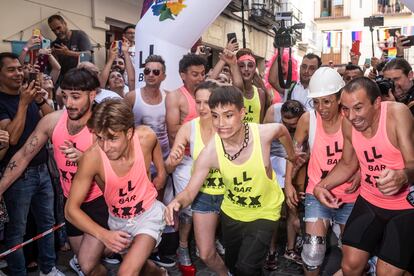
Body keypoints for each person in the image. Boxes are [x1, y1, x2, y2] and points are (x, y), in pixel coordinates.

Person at [165, 85, 301, 276]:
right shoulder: (210, 153)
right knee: (234, 265)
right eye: (215, 116)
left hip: (265, 211)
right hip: (232, 212)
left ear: (242, 113)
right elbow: (189, 192)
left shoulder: (262, 134)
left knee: (246, 268)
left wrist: (292, 156)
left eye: (228, 115)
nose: (221, 123)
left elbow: (282, 131)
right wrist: (175, 202)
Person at [0, 67, 112, 275]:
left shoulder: (104, 127)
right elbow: (24, 155)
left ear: (92, 94)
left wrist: (86, 161)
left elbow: (119, 173)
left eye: (76, 97)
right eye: (65, 95)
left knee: (87, 263)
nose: (68, 103)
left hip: (100, 202)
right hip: (72, 204)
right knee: (86, 264)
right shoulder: (52, 121)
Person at [313, 77, 414, 275]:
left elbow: (412, 162)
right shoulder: (348, 124)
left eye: (358, 108)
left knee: (386, 272)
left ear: (377, 103)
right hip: (370, 200)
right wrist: (321, 186)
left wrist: (402, 175)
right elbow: (348, 163)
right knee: (349, 265)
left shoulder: (396, 114)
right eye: (346, 109)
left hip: (405, 207)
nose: (351, 116)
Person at [65, 99, 167, 276]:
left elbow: (155, 146)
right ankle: (161, 274)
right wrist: (104, 234)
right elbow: (70, 210)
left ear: (128, 133)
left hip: (148, 214)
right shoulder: (91, 158)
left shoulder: (145, 137)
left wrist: (161, 173)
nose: (105, 146)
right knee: (137, 267)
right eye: (100, 138)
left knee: (126, 272)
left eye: (112, 138)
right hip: (118, 221)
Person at [285, 67, 360, 276]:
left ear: (339, 98)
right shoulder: (308, 120)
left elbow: (366, 150)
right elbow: (294, 152)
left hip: (350, 196)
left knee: (352, 256)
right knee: (312, 252)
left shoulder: (351, 119)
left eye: (326, 101)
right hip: (316, 193)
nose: (321, 108)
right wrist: (288, 184)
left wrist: (361, 173)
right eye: (316, 102)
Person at [0, 52, 60, 276]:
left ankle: (48, 268)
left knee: (48, 223)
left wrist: (40, 100)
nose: (18, 73)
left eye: (19, 68)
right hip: (17, 176)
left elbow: (54, 122)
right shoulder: (3, 102)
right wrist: (24, 104)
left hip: (43, 170)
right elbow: (11, 138)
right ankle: (18, 272)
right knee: (17, 230)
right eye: (11, 69)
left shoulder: (29, 94)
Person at [165, 81, 228, 275]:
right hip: (198, 187)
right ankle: (183, 246)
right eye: (198, 102)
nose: (201, 108)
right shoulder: (188, 128)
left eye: (206, 103)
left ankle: (211, 240)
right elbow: (168, 166)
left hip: (227, 189)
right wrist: (173, 160)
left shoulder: (227, 127)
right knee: (187, 214)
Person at [125, 55, 175, 267]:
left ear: (163, 75)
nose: (151, 75)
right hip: (140, 162)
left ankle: (157, 247)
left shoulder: (169, 97)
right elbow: (124, 129)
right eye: (147, 71)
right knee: (144, 204)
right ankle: (140, 248)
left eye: (156, 71)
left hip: (164, 160)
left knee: (161, 203)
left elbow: (172, 129)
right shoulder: (132, 97)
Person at [165, 53, 206, 267]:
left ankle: (204, 242)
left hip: (208, 157)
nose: (199, 78)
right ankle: (183, 247)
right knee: (188, 207)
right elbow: (173, 133)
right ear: (183, 75)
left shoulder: (209, 93)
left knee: (210, 201)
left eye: (202, 74)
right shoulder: (175, 96)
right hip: (185, 160)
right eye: (194, 74)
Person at [262, 99, 306, 269]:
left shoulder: (307, 117)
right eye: (285, 123)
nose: (288, 128)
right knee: (274, 208)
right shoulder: (273, 111)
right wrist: (265, 168)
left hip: (296, 160)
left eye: (293, 125)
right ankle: (271, 251)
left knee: (292, 206)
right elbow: (262, 141)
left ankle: (290, 248)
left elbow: (307, 147)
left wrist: (296, 168)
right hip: (272, 159)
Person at [48, 14, 92, 82]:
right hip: (66, 80)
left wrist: (68, 53)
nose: (57, 32)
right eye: (53, 30)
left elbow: (88, 55)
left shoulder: (79, 35)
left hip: (83, 78)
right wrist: (52, 56)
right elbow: (56, 68)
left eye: (58, 28)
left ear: (65, 24)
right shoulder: (55, 44)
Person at [234, 48, 266, 123]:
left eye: (250, 65)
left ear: (255, 69)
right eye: (242, 66)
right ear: (237, 68)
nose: (246, 69)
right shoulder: (231, 90)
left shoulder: (260, 93)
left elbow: (260, 123)